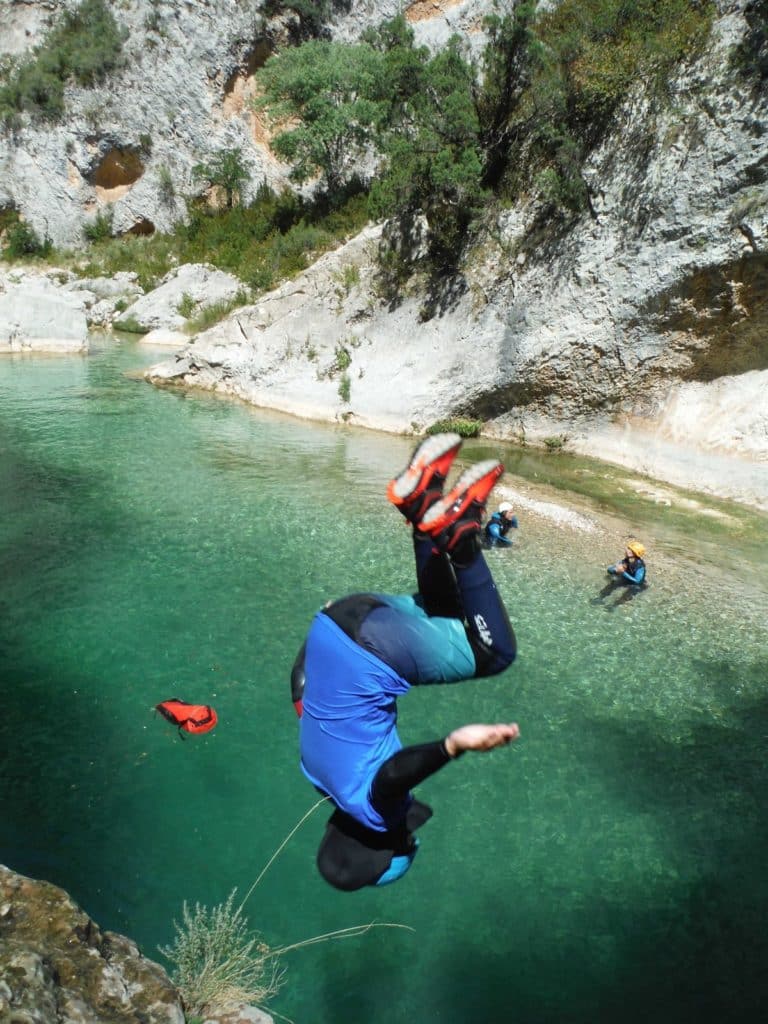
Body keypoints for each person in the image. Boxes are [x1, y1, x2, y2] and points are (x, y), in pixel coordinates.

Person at [290, 433, 519, 891]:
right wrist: (325, 626)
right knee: (451, 613)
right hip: (339, 622)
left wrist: (453, 745)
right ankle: (423, 505)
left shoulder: (374, 811)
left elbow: (392, 780)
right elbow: (299, 687)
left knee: (494, 653)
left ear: (386, 844)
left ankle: (462, 536)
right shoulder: (316, 773)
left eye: (406, 838)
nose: (408, 831)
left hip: (371, 648)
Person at [594, 540, 647, 609]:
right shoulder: (626, 560)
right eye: (628, 548)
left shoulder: (640, 565)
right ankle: (600, 598)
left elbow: (637, 581)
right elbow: (610, 570)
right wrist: (614, 570)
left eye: (631, 550)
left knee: (628, 594)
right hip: (627, 579)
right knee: (612, 584)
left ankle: (614, 606)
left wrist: (623, 572)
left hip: (637, 585)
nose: (627, 550)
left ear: (636, 553)